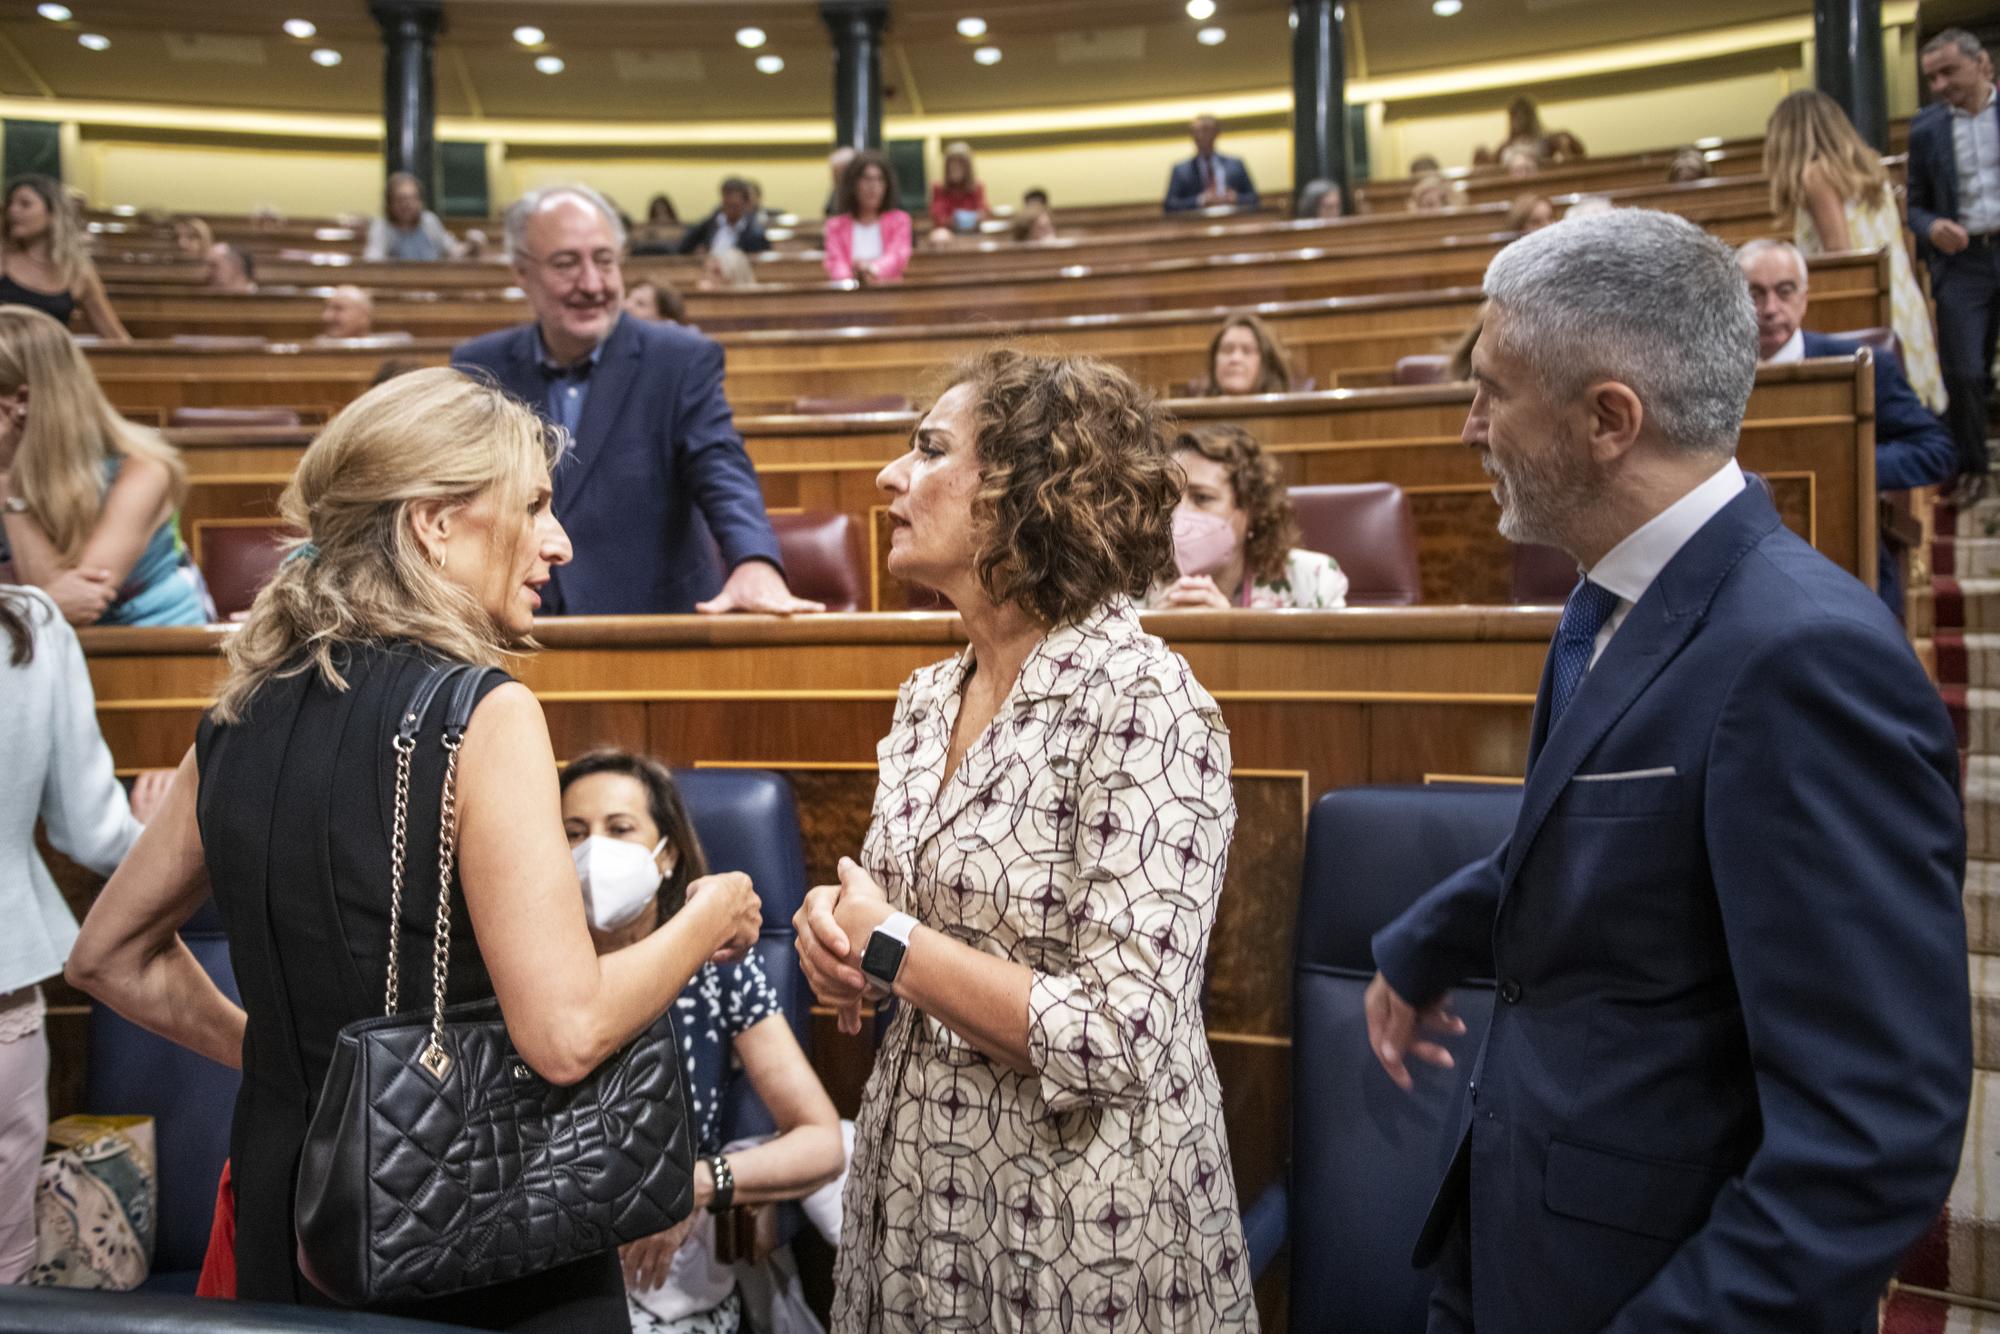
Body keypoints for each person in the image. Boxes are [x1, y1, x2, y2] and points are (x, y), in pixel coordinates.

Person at [1367, 209, 1969, 1334]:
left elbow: (1870, 1130)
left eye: (1490, 390)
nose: (1466, 425)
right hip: (1512, 1236)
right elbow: (1602, 834)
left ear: (1607, 418)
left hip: (1652, 1287)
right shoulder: (1605, 592)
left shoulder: (1805, 657)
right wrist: (1427, 941)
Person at [65, 369, 766, 1328]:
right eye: (532, 507)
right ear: (434, 524)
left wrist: (295, 1070)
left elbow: (109, 956)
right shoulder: (486, 713)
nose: (557, 541)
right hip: (474, 1220)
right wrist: (709, 915)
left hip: (293, 1206)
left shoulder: (238, 712)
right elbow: (565, 1034)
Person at [794, 349, 1256, 1332]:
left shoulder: (1145, 700)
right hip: (914, 1207)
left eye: (925, 449)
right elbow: (894, 926)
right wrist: (841, 947)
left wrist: (889, 943)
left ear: (1024, 492)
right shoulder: (926, 698)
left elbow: (1115, 1035)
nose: (888, 475)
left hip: (1074, 1230)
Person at [559, 749, 844, 1334]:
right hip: (557, 1275)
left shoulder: (717, 969)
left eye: (619, 829)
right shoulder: (530, 976)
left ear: (667, 857)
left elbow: (821, 1142)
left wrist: (690, 1186)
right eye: (573, 833)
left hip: (679, 1288)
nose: (594, 851)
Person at [454, 184, 815, 615]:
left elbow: (721, 466)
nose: (591, 284)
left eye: (604, 261)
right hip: (519, 627)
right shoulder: (479, 367)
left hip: (651, 624)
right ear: (521, 272)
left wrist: (754, 559)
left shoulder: (681, 359)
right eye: (566, 264)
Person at [0, 583, 145, 1282]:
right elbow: (94, 832)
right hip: (4, 988)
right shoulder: (28, 623)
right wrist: (175, 836)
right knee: (7, 1270)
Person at [1738, 238, 1956, 612]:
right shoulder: (1709, 374)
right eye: (1755, 294)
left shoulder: (1862, 367)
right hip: (1742, 562)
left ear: (1805, 298)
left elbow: (1936, 451)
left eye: (1784, 292)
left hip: (1844, 557)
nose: (1770, 308)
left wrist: (1846, 465)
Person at [0, 307, 208, 627]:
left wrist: (9, 482)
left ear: (25, 403)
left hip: (147, 651)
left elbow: (74, 610)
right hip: (26, 645)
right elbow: (51, 603)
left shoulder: (141, 471)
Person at [1765, 89, 1948, 416]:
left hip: (1859, 300)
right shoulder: (1868, 164)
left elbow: (1839, 256)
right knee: (1910, 406)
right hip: (1898, 295)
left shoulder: (1815, 174)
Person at [1908, 28, 2000, 480]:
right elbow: (1914, 207)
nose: (1939, 85)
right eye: (1932, 77)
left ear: (1982, 64)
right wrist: (1931, 226)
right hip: (1963, 263)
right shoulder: (1926, 130)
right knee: (1963, 372)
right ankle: (1975, 471)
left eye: (1948, 72)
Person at [1150, 423, 1347, 609]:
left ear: (1252, 507)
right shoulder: (1135, 584)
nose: (1179, 513)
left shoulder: (1312, 581)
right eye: (1171, 498)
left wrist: (1230, 630)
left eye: (1202, 498)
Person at [1, 175, 128, 340]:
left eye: (25, 204)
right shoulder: (3, 260)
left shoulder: (77, 272)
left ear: (53, 215)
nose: (12, 210)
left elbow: (115, 336)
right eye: (11, 203)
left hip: (51, 362)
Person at [822, 151, 912, 285]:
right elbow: (836, 263)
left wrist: (871, 269)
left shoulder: (900, 220)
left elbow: (897, 257)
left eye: (880, 179)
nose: (873, 186)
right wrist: (852, 280)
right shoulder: (835, 226)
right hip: (848, 297)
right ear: (853, 184)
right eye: (866, 179)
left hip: (890, 294)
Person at [363, 171, 466, 262]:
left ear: (420, 202)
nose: (408, 205)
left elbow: (452, 250)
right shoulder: (381, 226)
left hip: (433, 279)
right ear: (390, 203)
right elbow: (373, 260)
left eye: (413, 198)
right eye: (401, 199)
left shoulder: (429, 221)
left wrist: (473, 245)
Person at [1165, 114, 1259, 212]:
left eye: (1205, 130)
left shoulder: (1235, 165)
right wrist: (1200, 200)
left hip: (1233, 221)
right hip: (1196, 223)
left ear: (1216, 133)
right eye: (1195, 131)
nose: (1200, 135)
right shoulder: (1181, 170)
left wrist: (1235, 198)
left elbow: (1254, 199)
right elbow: (1170, 205)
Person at [1202, 311, 1293, 396]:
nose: (1235, 358)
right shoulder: (1197, 411)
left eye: (1247, 351)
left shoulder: (1291, 410)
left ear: (1267, 362)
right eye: (1227, 350)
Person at [677, 178, 770, 257]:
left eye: (734, 205)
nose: (730, 210)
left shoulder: (754, 232)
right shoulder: (711, 223)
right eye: (726, 204)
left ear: (744, 204)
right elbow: (684, 247)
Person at [928, 140, 988, 240]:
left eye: (959, 164)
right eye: (951, 164)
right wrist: (958, 219)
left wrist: (973, 218)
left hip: (973, 236)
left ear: (967, 168)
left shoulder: (977, 187)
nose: (954, 168)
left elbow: (983, 212)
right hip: (946, 237)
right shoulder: (938, 188)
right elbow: (937, 217)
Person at [824, 146, 856, 218]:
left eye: (838, 173)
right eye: (834, 173)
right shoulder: (836, 191)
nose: (835, 177)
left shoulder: (860, 195)